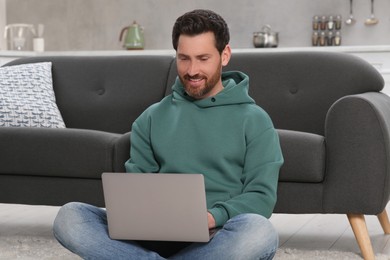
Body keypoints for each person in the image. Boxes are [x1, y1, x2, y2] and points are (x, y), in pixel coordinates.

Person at [53, 9, 284, 260]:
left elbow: (261, 197)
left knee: (260, 232)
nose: (192, 70)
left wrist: (211, 216)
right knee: (70, 216)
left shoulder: (255, 120)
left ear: (224, 55)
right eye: (184, 58)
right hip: (153, 236)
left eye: (203, 58)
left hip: (217, 236)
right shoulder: (151, 118)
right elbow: (138, 188)